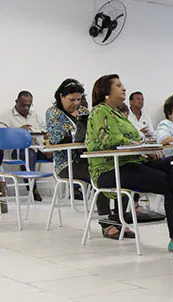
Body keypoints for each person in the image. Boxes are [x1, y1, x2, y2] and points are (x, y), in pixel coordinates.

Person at [86, 74, 173, 253]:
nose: (123, 88)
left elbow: (134, 138)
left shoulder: (118, 113)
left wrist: (145, 150)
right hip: (109, 169)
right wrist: (138, 145)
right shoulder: (99, 111)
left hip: (132, 162)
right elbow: (109, 140)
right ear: (106, 92)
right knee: (169, 184)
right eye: (118, 85)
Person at [46, 78, 131, 239]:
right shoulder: (53, 113)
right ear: (61, 97)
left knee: (121, 172)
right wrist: (77, 132)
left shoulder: (85, 111)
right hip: (67, 163)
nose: (76, 103)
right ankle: (106, 222)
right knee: (100, 175)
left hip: (88, 158)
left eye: (79, 99)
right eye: (72, 99)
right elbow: (56, 138)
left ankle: (119, 218)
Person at [0, 91, 51, 201]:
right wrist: (19, 131)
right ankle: (33, 188)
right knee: (29, 155)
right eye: (24, 105)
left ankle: (72, 188)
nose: (26, 108)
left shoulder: (34, 115)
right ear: (16, 102)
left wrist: (47, 146)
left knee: (58, 154)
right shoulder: (6, 116)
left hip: (39, 148)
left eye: (29, 105)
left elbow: (45, 130)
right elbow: (3, 134)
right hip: (19, 150)